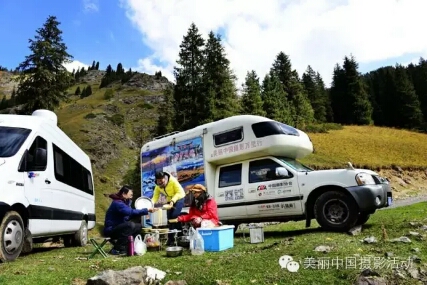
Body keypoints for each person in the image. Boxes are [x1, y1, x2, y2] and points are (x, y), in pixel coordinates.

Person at [104, 185, 158, 255]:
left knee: (138, 226)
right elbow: (129, 212)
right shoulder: (117, 203)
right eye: (130, 195)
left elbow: (128, 216)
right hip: (111, 229)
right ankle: (116, 248)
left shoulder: (125, 202)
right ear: (124, 194)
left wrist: (143, 213)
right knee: (130, 225)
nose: (131, 196)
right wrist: (146, 210)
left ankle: (129, 246)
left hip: (119, 227)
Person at [152, 171, 186, 246]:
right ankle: (171, 239)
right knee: (169, 218)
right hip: (169, 200)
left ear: (164, 178)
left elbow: (179, 192)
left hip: (179, 197)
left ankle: (180, 236)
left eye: (161, 181)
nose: (160, 183)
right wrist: (150, 204)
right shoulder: (157, 186)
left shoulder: (173, 181)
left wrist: (173, 201)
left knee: (174, 215)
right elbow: (155, 197)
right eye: (158, 181)